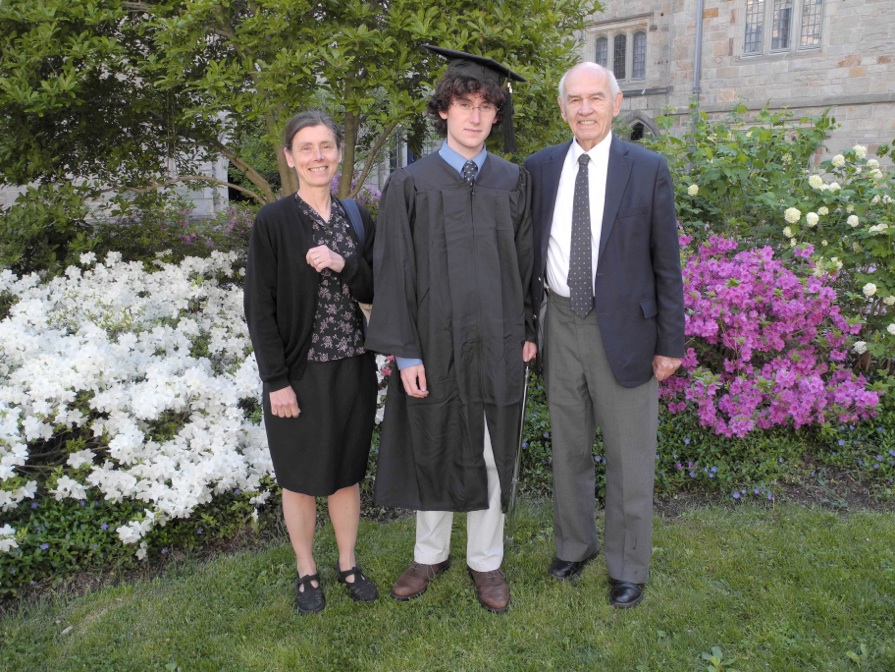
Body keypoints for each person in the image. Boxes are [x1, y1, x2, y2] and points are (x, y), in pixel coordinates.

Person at [364, 45, 536, 614]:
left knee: (490, 449)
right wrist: (406, 354)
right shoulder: (411, 183)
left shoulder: (512, 180)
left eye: (486, 107)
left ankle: (486, 561)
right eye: (464, 105)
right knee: (433, 442)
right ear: (444, 110)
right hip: (433, 342)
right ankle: (429, 554)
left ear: (496, 114)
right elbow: (393, 272)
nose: (475, 116)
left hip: (499, 338)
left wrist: (529, 328)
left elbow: (527, 263)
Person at [524, 62, 685, 608]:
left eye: (596, 97)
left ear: (616, 104)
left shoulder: (647, 168)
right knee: (568, 448)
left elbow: (667, 263)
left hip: (625, 330)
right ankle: (575, 545)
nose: (585, 108)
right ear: (563, 108)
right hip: (560, 323)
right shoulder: (540, 168)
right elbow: (526, 255)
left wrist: (670, 343)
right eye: (575, 99)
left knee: (629, 456)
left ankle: (628, 564)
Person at [244, 110, 378, 615]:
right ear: (289, 157)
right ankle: (306, 570)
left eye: (325, 146)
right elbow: (259, 307)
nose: (317, 157)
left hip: (352, 366)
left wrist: (345, 264)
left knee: (346, 472)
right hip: (298, 374)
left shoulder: (356, 217)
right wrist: (275, 381)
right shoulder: (274, 221)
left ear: (339, 154)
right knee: (299, 477)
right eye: (306, 148)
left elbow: (377, 286)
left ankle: (348, 563)